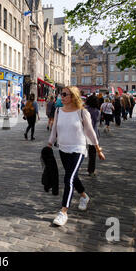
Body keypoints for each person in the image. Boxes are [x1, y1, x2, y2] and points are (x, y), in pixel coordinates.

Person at [48, 86, 105, 226]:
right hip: (63, 148)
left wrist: (98, 149)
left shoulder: (82, 112)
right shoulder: (58, 111)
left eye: (64, 94)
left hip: (78, 148)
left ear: (73, 96)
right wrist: (49, 144)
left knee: (68, 178)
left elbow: (90, 132)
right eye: (61, 94)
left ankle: (63, 212)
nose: (61, 96)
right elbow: (54, 129)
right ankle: (84, 196)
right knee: (72, 176)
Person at [85, 95, 101, 177]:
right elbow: (95, 124)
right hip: (93, 134)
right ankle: (91, 170)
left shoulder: (84, 110)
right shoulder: (97, 111)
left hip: (83, 133)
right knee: (92, 154)